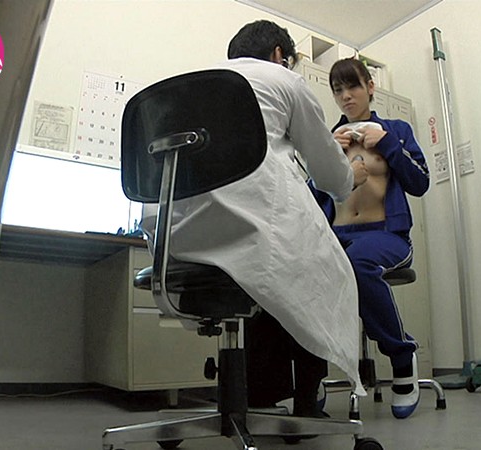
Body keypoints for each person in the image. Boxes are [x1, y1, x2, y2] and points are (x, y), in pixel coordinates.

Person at [141, 20, 366, 416]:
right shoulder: (283, 80)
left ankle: (259, 393)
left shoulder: (189, 87)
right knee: (321, 271)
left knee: (274, 267)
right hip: (253, 235)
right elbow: (331, 177)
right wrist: (352, 177)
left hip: (178, 244)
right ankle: (307, 398)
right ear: (280, 55)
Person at [309, 58, 430, 419]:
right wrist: (328, 162)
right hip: (338, 236)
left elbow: (420, 182)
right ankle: (311, 374)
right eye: (338, 90)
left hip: (386, 237)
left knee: (357, 262)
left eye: (353, 87)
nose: (346, 96)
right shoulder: (329, 140)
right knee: (300, 269)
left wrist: (388, 144)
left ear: (370, 87)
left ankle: (401, 356)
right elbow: (309, 201)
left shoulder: (396, 130)